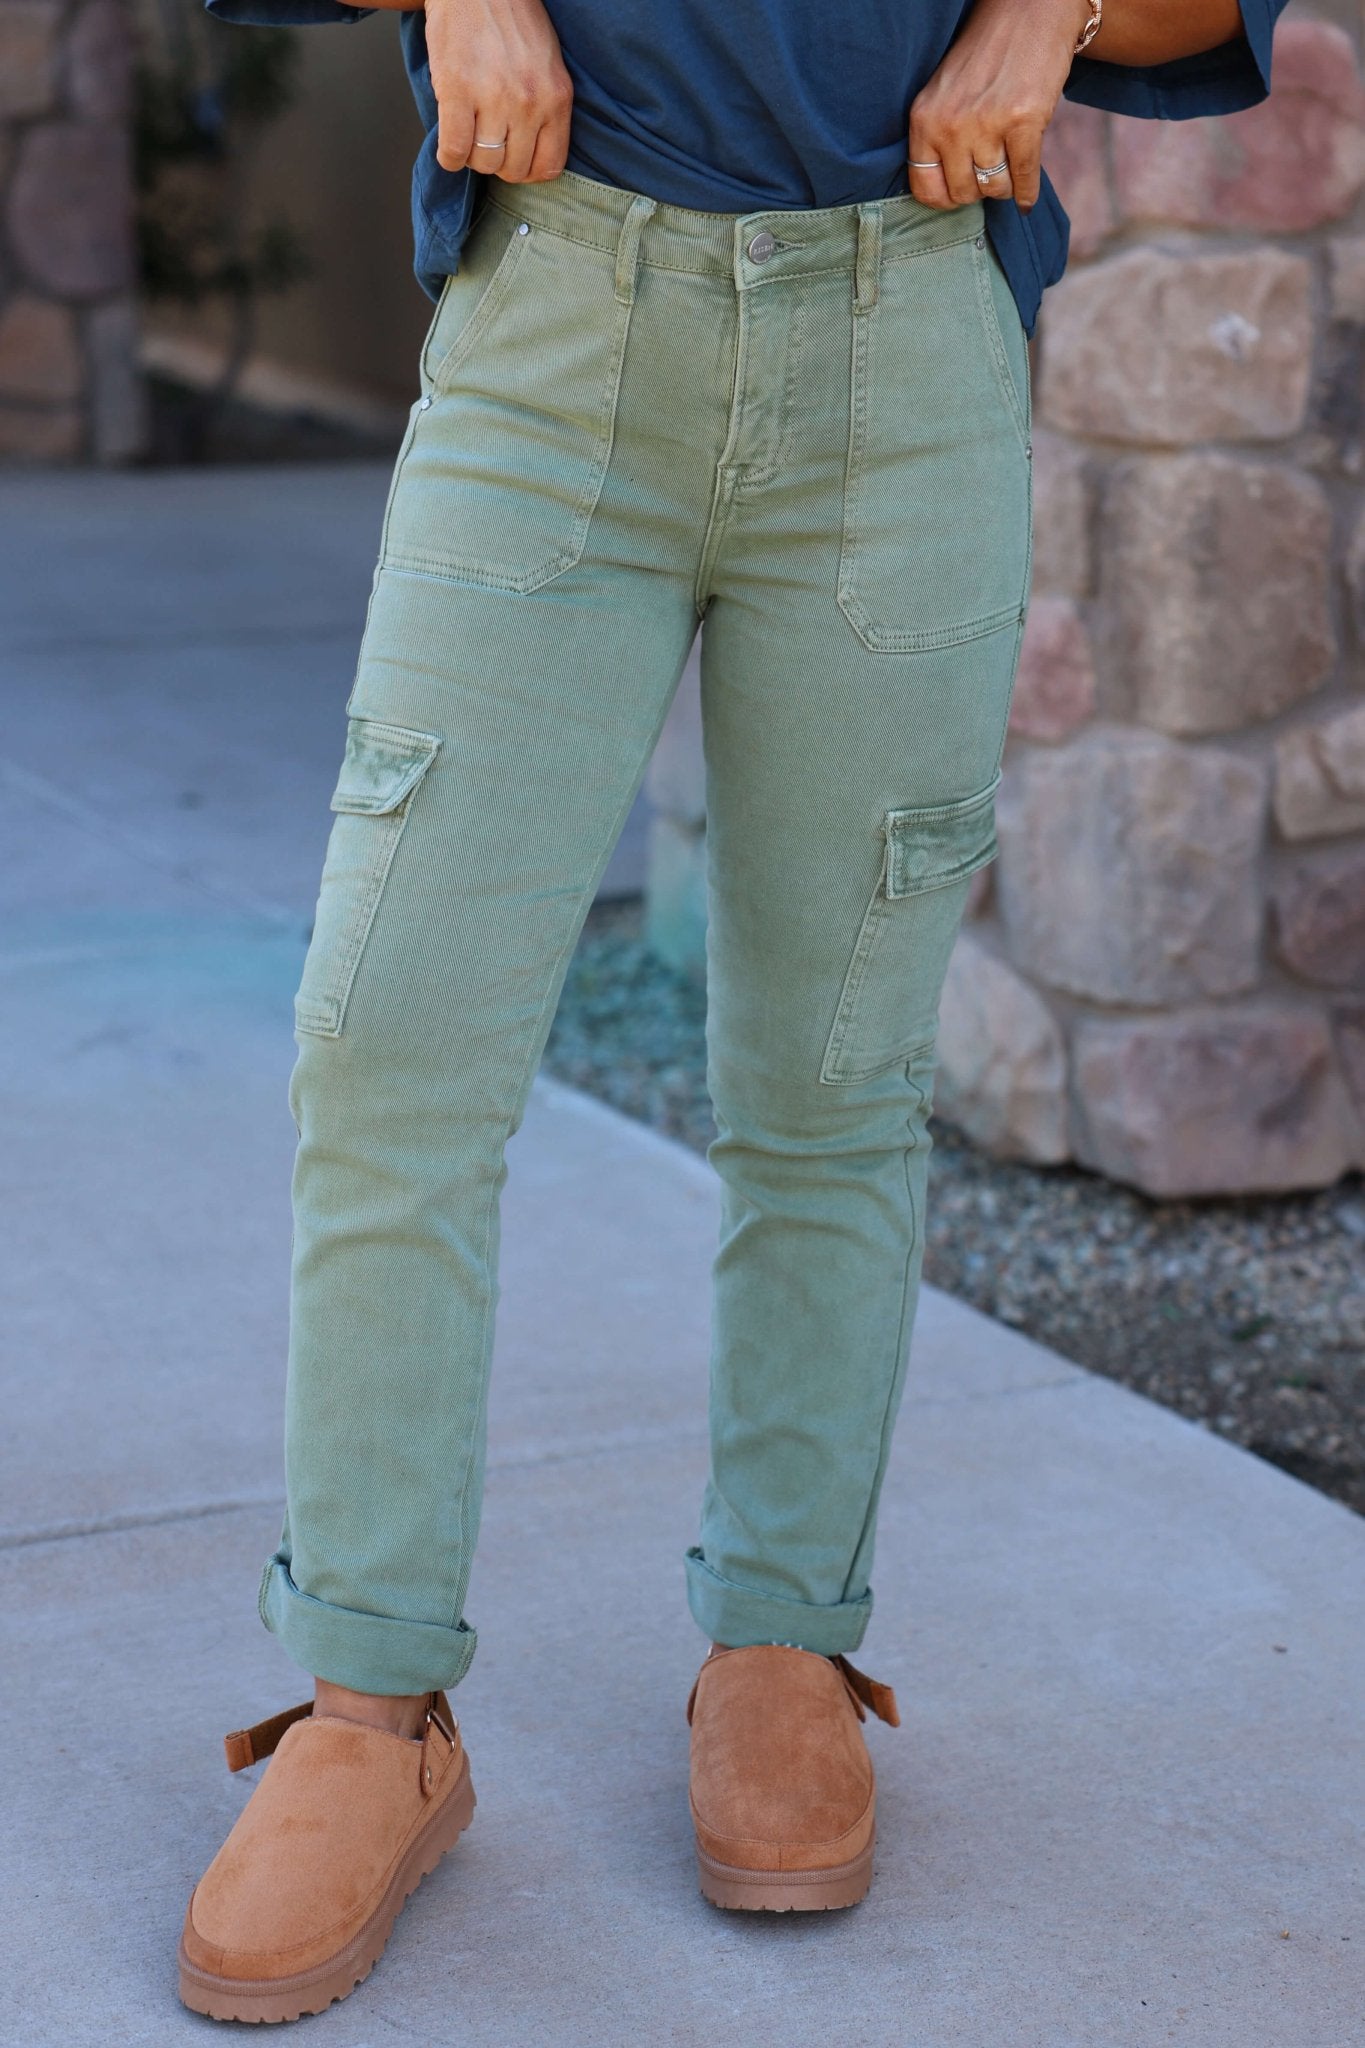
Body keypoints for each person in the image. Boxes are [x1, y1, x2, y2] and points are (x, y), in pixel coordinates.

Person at [178, 0, 1287, 2021]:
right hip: (556, 318)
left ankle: (780, 1643)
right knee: (388, 1043)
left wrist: (1038, 13)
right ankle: (371, 1705)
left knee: (831, 1079)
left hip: (907, 336)